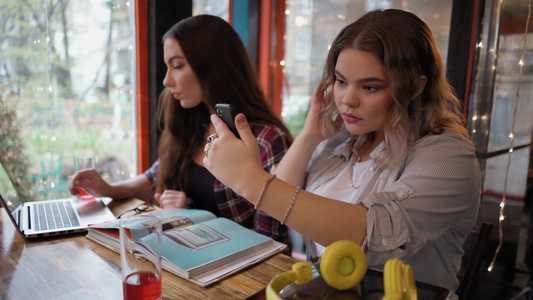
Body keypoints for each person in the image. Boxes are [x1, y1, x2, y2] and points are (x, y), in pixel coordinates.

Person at [202, 9, 480, 296]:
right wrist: (310, 136)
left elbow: (371, 235)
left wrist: (252, 181)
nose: (348, 99)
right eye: (341, 81)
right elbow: (278, 204)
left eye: (370, 87)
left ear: (415, 87)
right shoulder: (341, 142)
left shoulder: (448, 156)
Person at [68, 14, 292, 244]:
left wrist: (194, 218)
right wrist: (107, 189)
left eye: (177, 66)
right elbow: (153, 178)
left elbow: (270, 241)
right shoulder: (195, 121)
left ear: (213, 66)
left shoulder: (267, 140)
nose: (166, 80)